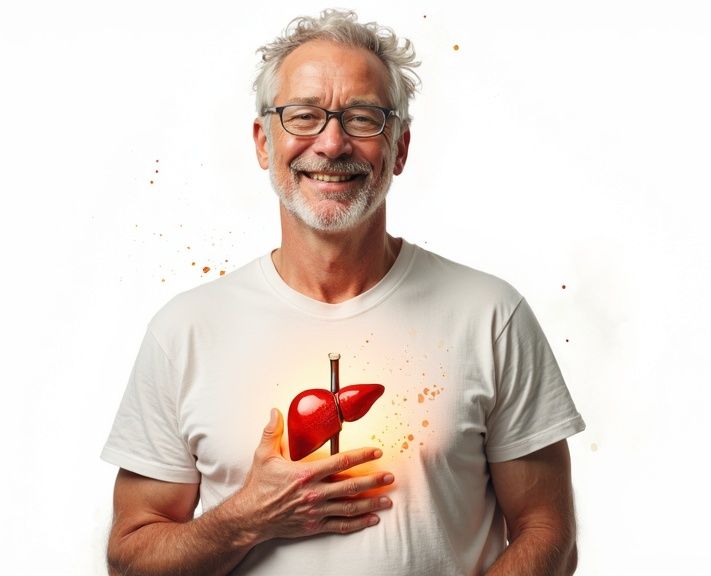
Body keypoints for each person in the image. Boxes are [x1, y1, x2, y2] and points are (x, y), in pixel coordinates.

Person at [101, 9, 585, 576]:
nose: (331, 144)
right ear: (263, 143)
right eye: (303, 116)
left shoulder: (490, 316)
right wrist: (246, 518)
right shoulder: (184, 332)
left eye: (362, 118)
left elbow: (548, 534)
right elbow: (130, 560)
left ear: (400, 147)